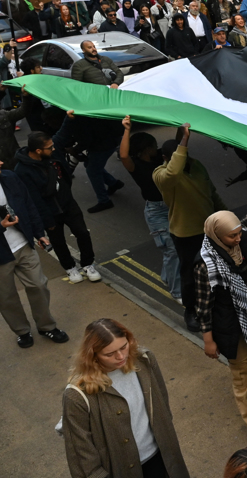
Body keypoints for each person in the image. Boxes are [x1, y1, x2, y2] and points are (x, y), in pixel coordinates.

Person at [62, 319, 189, 478]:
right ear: (93, 356)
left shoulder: (144, 359)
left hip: (160, 458)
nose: (121, 356)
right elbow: (81, 453)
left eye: (124, 347)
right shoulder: (77, 395)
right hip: (118, 469)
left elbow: (162, 403)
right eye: (109, 354)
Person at [196, 202, 247, 442]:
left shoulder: (240, 237)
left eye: (240, 233)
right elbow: (203, 306)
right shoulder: (204, 265)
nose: (239, 238)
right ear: (216, 235)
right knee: (242, 369)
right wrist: (208, 340)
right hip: (228, 322)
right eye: (232, 236)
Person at [153, 123, 226, 333]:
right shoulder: (160, 174)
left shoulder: (197, 166)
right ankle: (191, 311)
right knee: (190, 275)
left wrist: (227, 216)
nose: (184, 157)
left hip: (210, 229)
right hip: (185, 234)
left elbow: (211, 193)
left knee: (216, 270)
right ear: (167, 158)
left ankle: (215, 305)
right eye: (178, 154)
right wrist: (183, 142)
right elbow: (173, 173)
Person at [13, 129, 102, 285]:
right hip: (49, 212)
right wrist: (47, 221)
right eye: (50, 147)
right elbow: (34, 199)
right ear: (38, 150)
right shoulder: (22, 170)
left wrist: (66, 194)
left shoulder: (52, 156)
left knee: (82, 233)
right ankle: (70, 267)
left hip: (68, 204)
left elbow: (65, 175)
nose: (53, 149)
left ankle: (88, 264)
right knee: (58, 242)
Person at [0, 159, 65, 348]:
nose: (2, 162)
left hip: (23, 244)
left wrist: (39, 233)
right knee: (6, 297)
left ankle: (47, 327)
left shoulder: (10, 177)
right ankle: (22, 331)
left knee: (39, 285)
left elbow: (29, 205)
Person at [118, 116, 182, 304]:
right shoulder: (136, 166)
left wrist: (182, 125)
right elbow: (123, 155)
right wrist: (127, 130)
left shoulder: (159, 155)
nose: (157, 147)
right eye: (154, 145)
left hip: (173, 206)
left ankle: (166, 275)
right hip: (156, 212)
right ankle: (177, 291)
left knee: (173, 250)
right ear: (146, 149)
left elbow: (178, 145)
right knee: (172, 250)